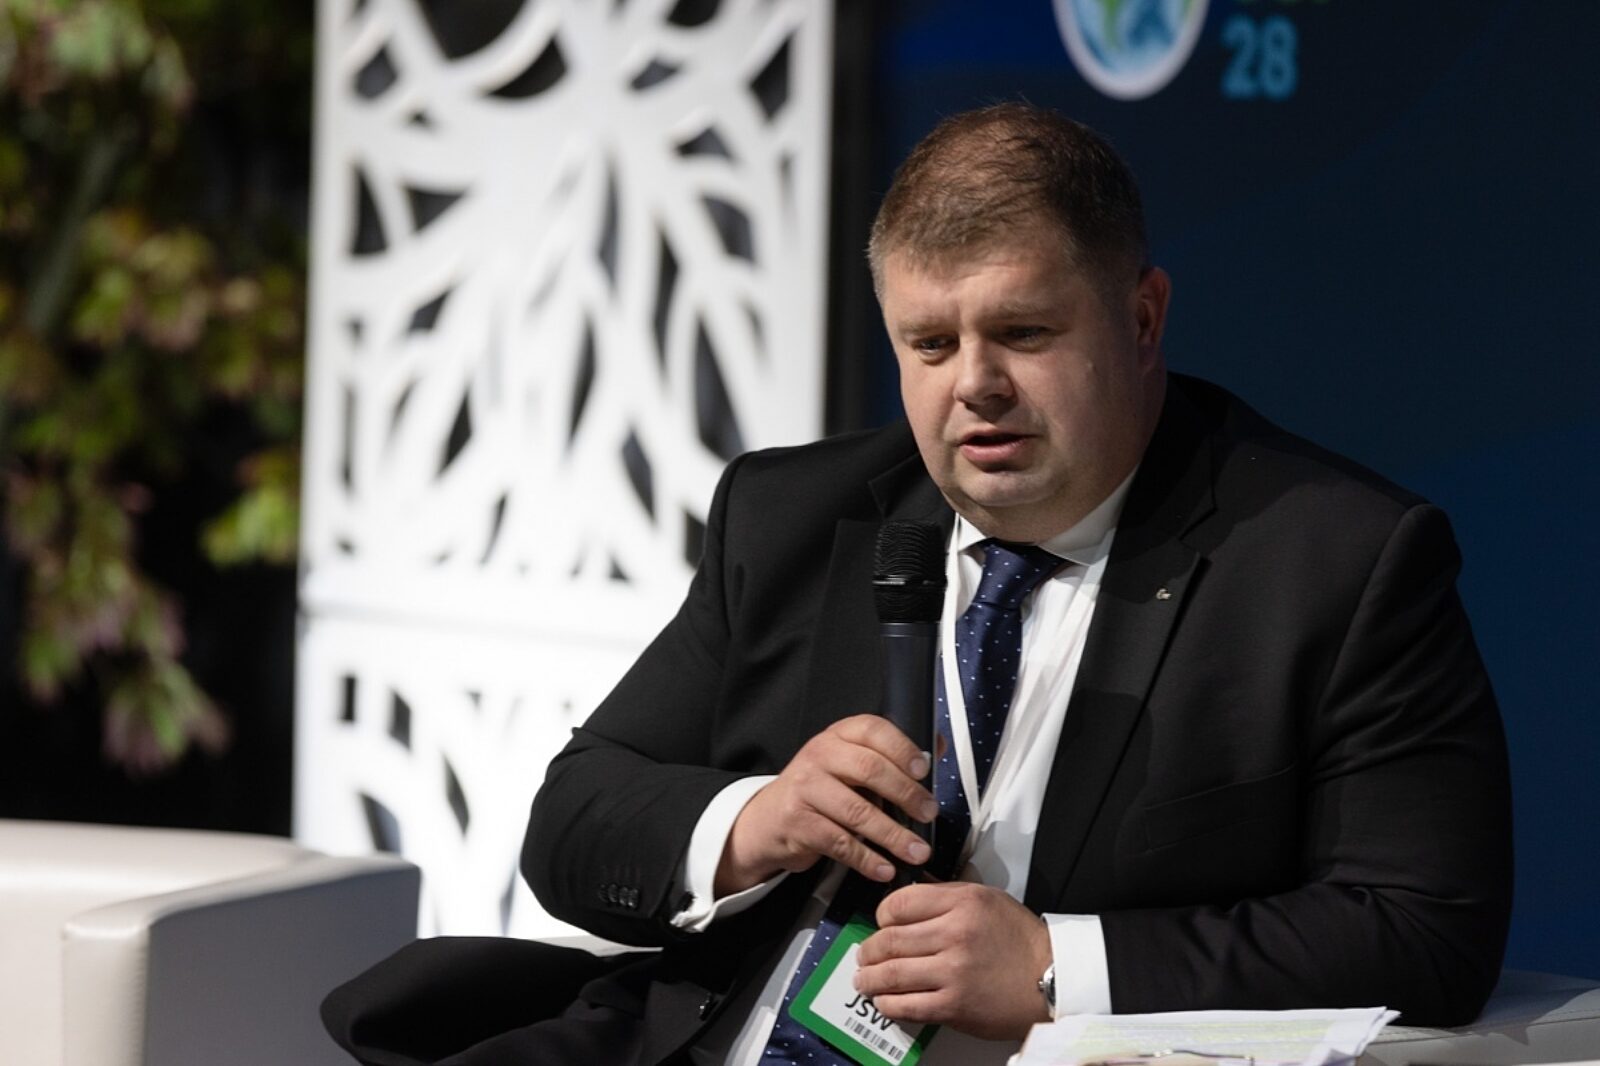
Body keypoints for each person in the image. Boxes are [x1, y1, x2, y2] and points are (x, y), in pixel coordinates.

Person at [323, 103, 1512, 1066]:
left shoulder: (1335, 559)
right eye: (929, 345)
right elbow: (573, 823)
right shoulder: (791, 515)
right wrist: (754, 821)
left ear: (1143, 317)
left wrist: (1052, 964)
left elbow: (1423, 929)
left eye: (1024, 333)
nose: (973, 385)